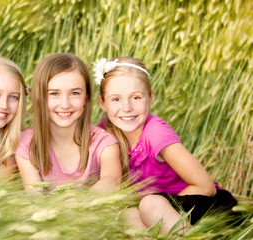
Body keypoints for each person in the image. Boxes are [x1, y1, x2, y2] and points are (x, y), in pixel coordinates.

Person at [95, 56, 237, 233]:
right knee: (128, 215)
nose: (127, 108)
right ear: (102, 102)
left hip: (207, 208)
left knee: (149, 205)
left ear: (151, 97)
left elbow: (205, 187)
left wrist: (157, 206)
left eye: (136, 97)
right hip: (159, 212)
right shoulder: (107, 132)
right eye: (116, 99)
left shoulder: (155, 133)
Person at [15, 53, 122, 192]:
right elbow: (36, 197)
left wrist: (77, 203)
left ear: (86, 97)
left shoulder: (104, 144)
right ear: (39, 97)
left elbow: (111, 181)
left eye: (75, 93)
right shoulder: (26, 145)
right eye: (54, 93)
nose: (65, 104)